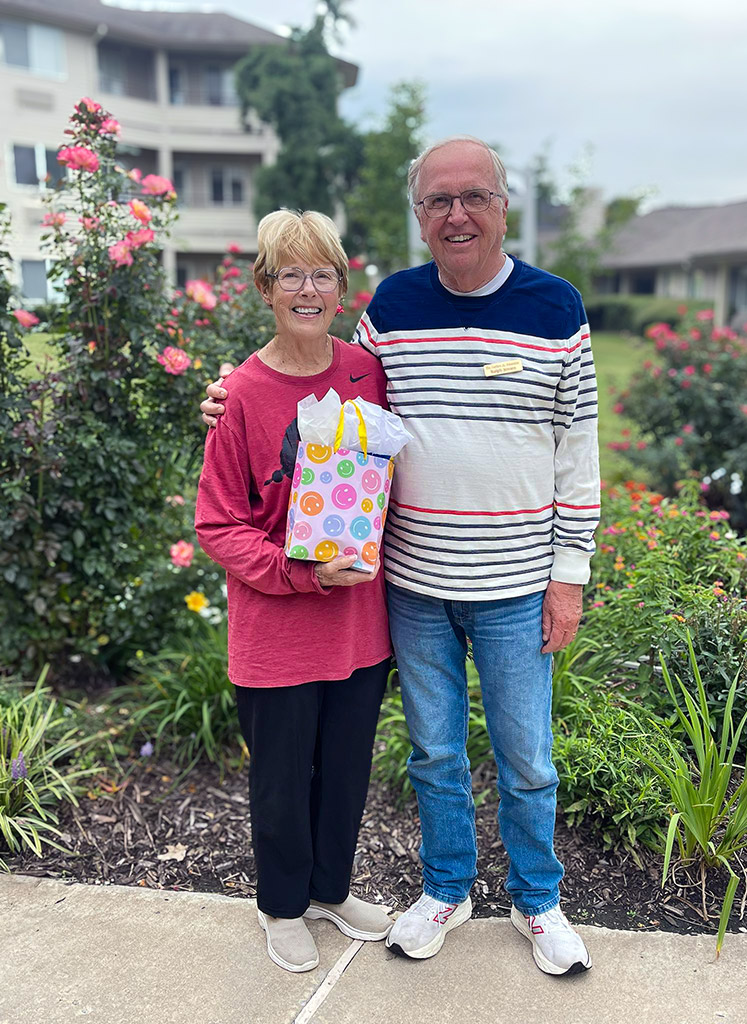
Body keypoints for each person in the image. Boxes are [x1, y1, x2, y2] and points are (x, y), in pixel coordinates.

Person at [201, 137, 600, 976]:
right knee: (434, 756)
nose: (457, 214)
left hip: (513, 584)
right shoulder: (391, 314)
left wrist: (570, 578)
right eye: (437, 202)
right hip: (409, 586)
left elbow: (579, 451)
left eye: (474, 197)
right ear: (420, 216)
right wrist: (225, 396)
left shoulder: (556, 308)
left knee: (527, 759)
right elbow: (318, 401)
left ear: (501, 202)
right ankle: (445, 891)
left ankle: (540, 902)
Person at [195, 209, 393, 974]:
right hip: (276, 630)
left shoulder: (364, 374)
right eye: (290, 274)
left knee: (344, 773)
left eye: (321, 274)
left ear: (342, 290)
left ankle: (329, 890)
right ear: (265, 288)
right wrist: (297, 573)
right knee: (281, 782)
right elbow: (217, 523)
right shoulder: (240, 393)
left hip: (357, 626)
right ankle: (281, 904)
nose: (306, 289)